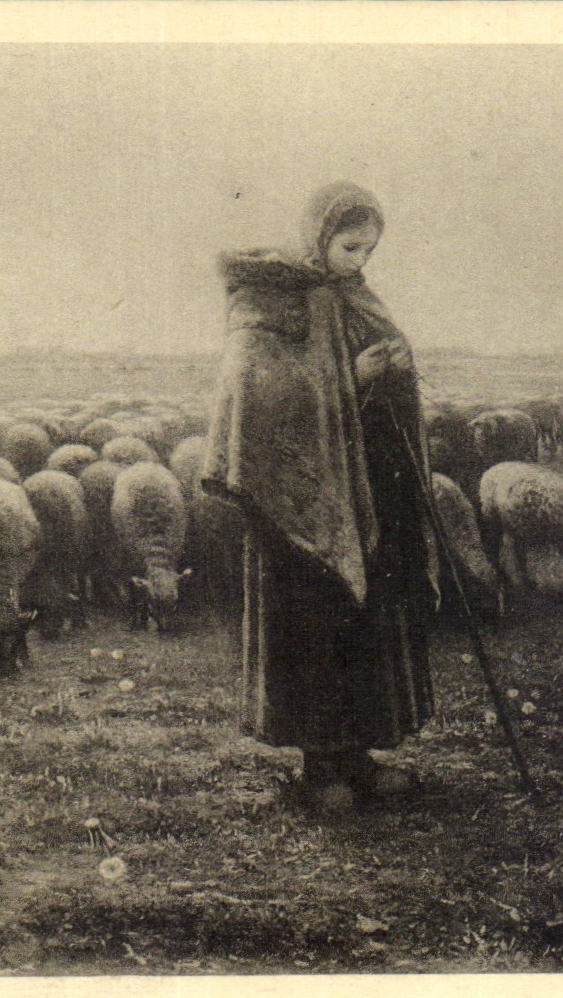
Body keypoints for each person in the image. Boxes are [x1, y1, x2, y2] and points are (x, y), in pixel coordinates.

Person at [201, 181, 439, 814]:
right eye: (350, 245)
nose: (361, 260)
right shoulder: (276, 300)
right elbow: (256, 387)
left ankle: (361, 755)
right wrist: (348, 377)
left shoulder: (357, 298)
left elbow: (375, 394)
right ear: (318, 236)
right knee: (315, 628)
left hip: (368, 492)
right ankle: (320, 766)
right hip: (302, 504)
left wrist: (392, 375)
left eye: (370, 249)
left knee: (366, 627)